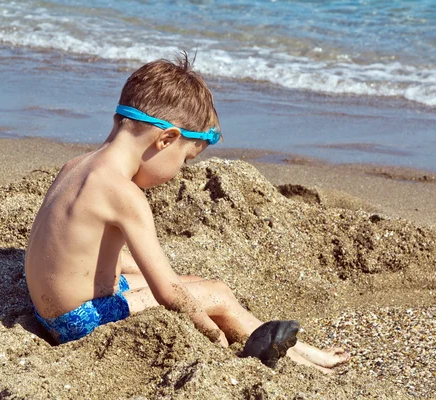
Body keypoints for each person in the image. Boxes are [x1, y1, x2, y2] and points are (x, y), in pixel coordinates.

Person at [24, 53, 349, 374]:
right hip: (78, 321)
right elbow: (168, 294)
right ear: (166, 139)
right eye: (185, 160)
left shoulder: (75, 167)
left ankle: (287, 344)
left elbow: (84, 252)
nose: (179, 172)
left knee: (195, 283)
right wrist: (212, 334)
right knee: (217, 295)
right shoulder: (124, 194)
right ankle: (304, 361)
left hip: (49, 309)